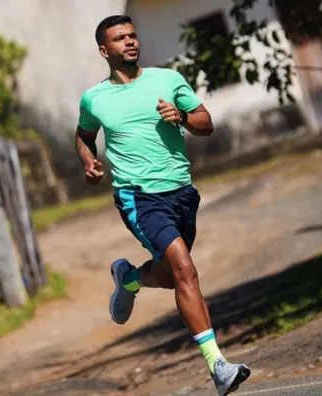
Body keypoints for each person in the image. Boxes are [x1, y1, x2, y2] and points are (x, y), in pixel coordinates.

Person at [75, 14, 251, 395]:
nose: (130, 42)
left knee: (172, 275)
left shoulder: (168, 80)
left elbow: (205, 122)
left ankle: (130, 279)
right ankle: (218, 366)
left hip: (182, 192)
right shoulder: (94, 98)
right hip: (137, 196)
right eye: (120, 38)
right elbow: (84, 134)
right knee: (185, 270)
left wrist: (183, 116)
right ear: (104, 50)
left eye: (133, 35)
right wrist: (89, 161)